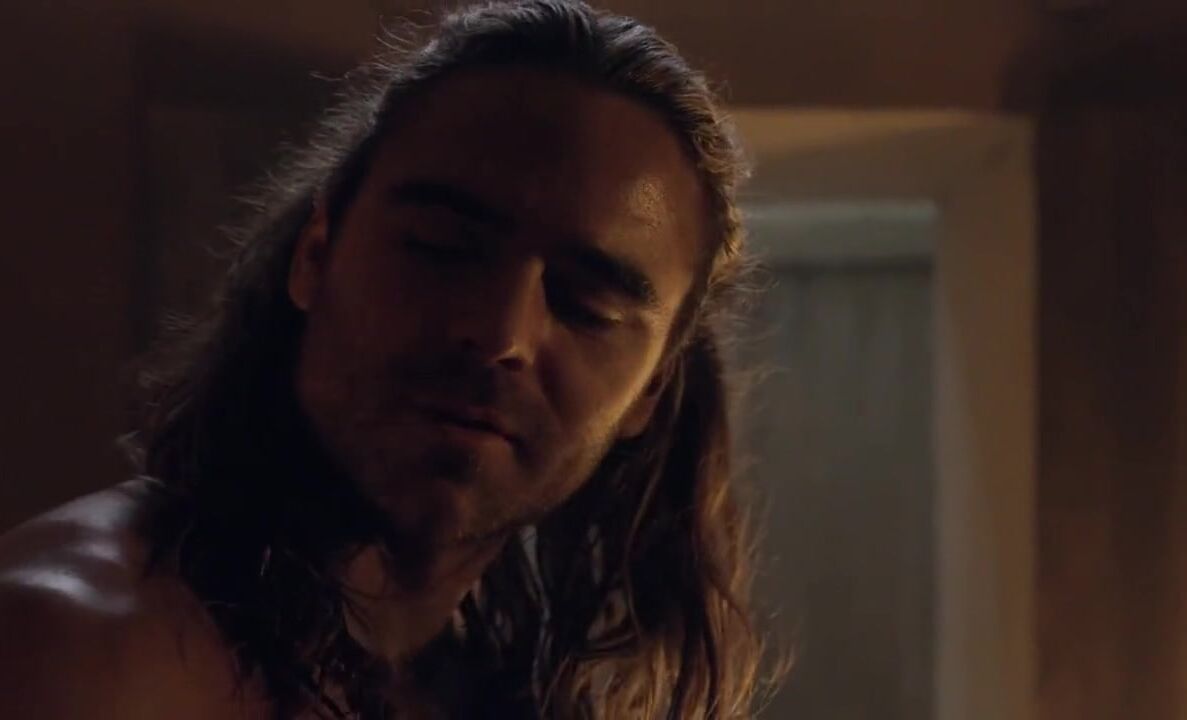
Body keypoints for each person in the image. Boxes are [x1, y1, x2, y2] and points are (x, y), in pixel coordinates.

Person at [0, 1, 772, 717]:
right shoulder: (78, 651)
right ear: (315, 253)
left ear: (652, 388)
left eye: (584, 303)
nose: (499, 334)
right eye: (441, 249)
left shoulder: (477, 679)